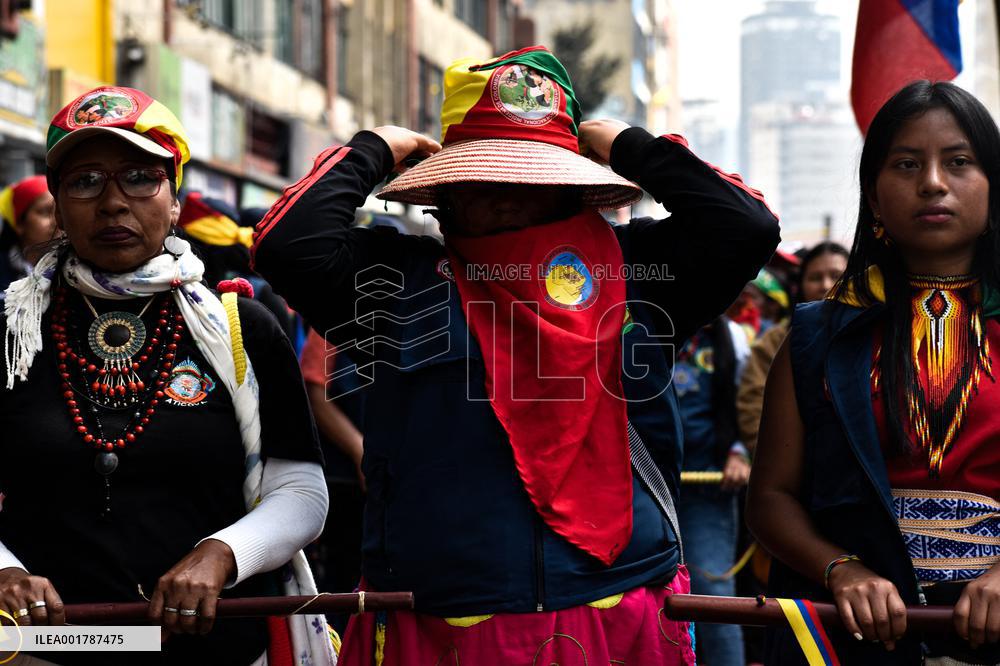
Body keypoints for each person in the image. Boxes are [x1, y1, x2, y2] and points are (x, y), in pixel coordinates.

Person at [252, 46, 779, 664]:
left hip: (619, 603)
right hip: (440, 613)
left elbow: (746, 227)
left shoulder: (642, 271)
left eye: (531, 175)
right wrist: (373, 149)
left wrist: (632, 146)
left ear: (569, 191)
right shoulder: (392, 280)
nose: (507, 194)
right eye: (484, 177)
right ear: (444, 199)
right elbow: (289, 244)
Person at [0, 86, 332, 666]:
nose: (112, 202)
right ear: (56, 200)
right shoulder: (11, 329)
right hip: (50, 647)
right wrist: (4, 572)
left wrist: (222, 553)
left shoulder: (241, 325)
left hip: (215, 647)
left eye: (138, 177)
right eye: (85, 181)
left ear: (175, 199)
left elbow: (302, 492)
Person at [747, 80, 1000, 664]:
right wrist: (842, 569)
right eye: (907, 163)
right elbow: (771, 498)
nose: (933, 182)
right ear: (876, 196)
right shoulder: (815, 338)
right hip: (856, 640)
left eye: (959, 162)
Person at [674, 314, 751, 666]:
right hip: (641, 484)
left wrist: (739, 453)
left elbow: (747, 405)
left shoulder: (730, 336)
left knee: (714, 593)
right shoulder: (635, 325)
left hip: (708, 484)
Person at [737, 241, 848, 453]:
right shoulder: (775, 341)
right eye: (815, 278)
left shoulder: (878, 334)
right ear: (800, 285)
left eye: (835, 275)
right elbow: (752, 408)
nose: (825, 285)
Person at [0, 175, 59, 293]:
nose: (57, 221)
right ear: (19, 224)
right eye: (45, 212)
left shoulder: (77, 271)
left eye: (60, 211)